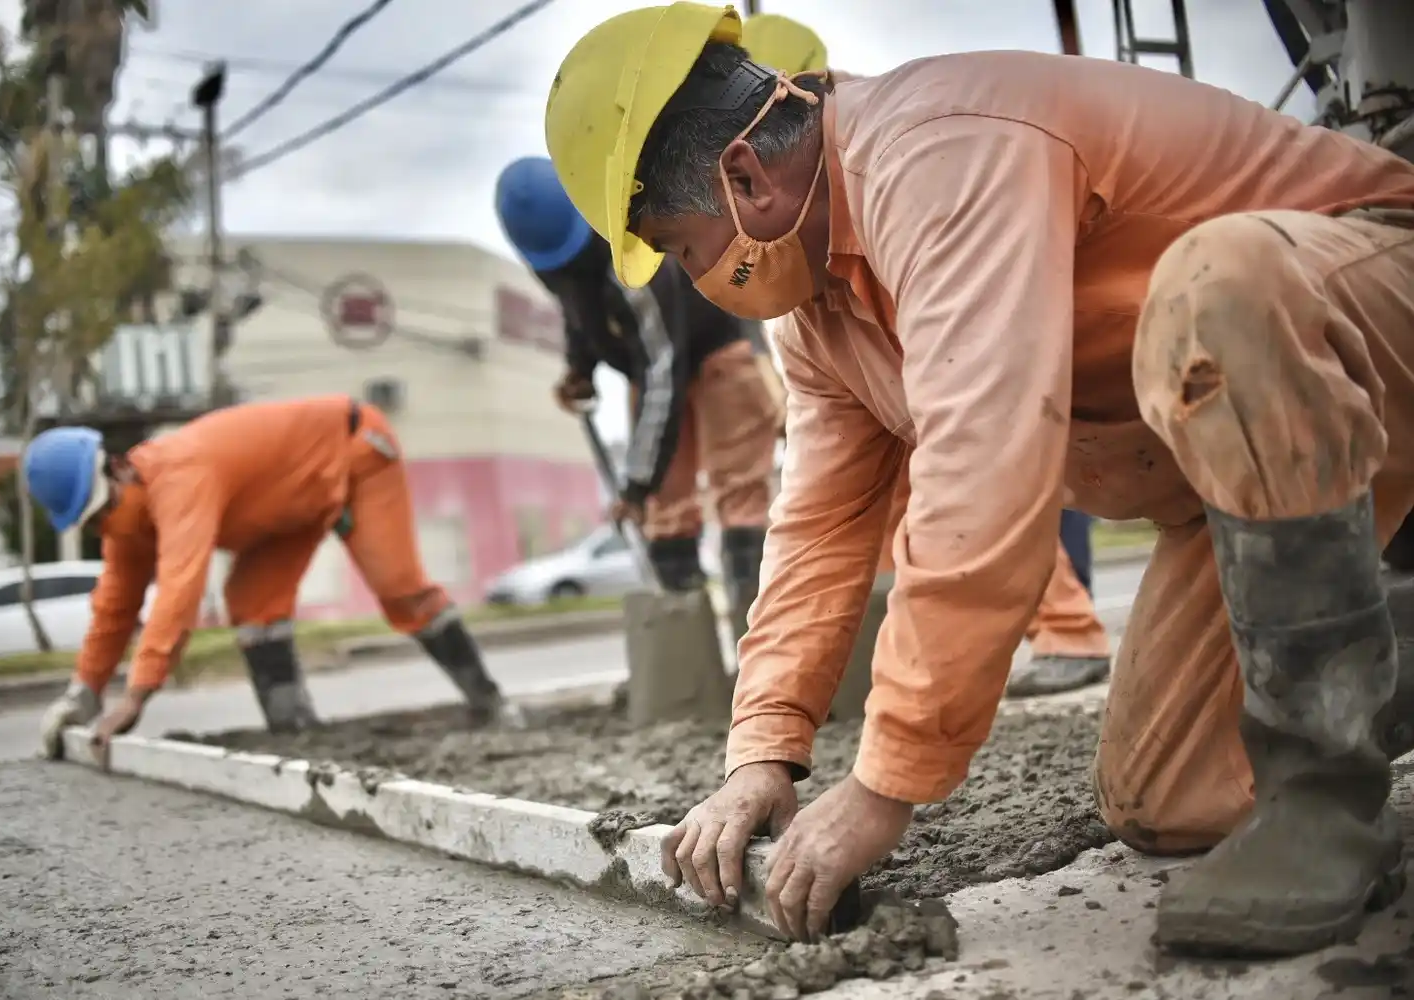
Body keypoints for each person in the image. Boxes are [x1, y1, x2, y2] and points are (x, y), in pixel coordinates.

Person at [543, 2, 1414, 956]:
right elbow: (818, 530)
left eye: (681, 247)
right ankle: (1363, 655)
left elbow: (983, 470)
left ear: (744, 177)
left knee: (1222, 282)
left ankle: (1323, 805)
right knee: (1168, 799)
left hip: (1367, 296)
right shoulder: (822, 317)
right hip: (1243, 482)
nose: (694, 277)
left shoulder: (940, 150)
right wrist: (763, 750)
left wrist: (883, 785)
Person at [742, 11, 1112, 699]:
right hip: (883, 367)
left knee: (965, 486)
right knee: (901, 509)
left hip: (923, 358)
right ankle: (920, 661)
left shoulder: (883, 157)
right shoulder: (804, 191)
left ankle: (1065, 631)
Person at [31, 395, 524, 758]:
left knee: (399, 588)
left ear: (120, 469)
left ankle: (491, 701)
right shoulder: (125, 528)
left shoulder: (179, 475)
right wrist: (83, 695)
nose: (108, 527)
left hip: (355, 452)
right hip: (287, 506)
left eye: (107, 509)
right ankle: (296, 735)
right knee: (252, 600)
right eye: (93, 523)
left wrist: (136, 697)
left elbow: (180, 590)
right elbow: (115, 608)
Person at [495, 155, 781, 643]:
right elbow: (579, 312)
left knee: (740, 499)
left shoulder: (630, 263)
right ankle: (690, 659)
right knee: (665, 513)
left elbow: (663, 372)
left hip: (718, 352)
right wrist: (579, 369)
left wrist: (633, 486)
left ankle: (763, 650)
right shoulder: (563, 269)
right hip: (654, 372)